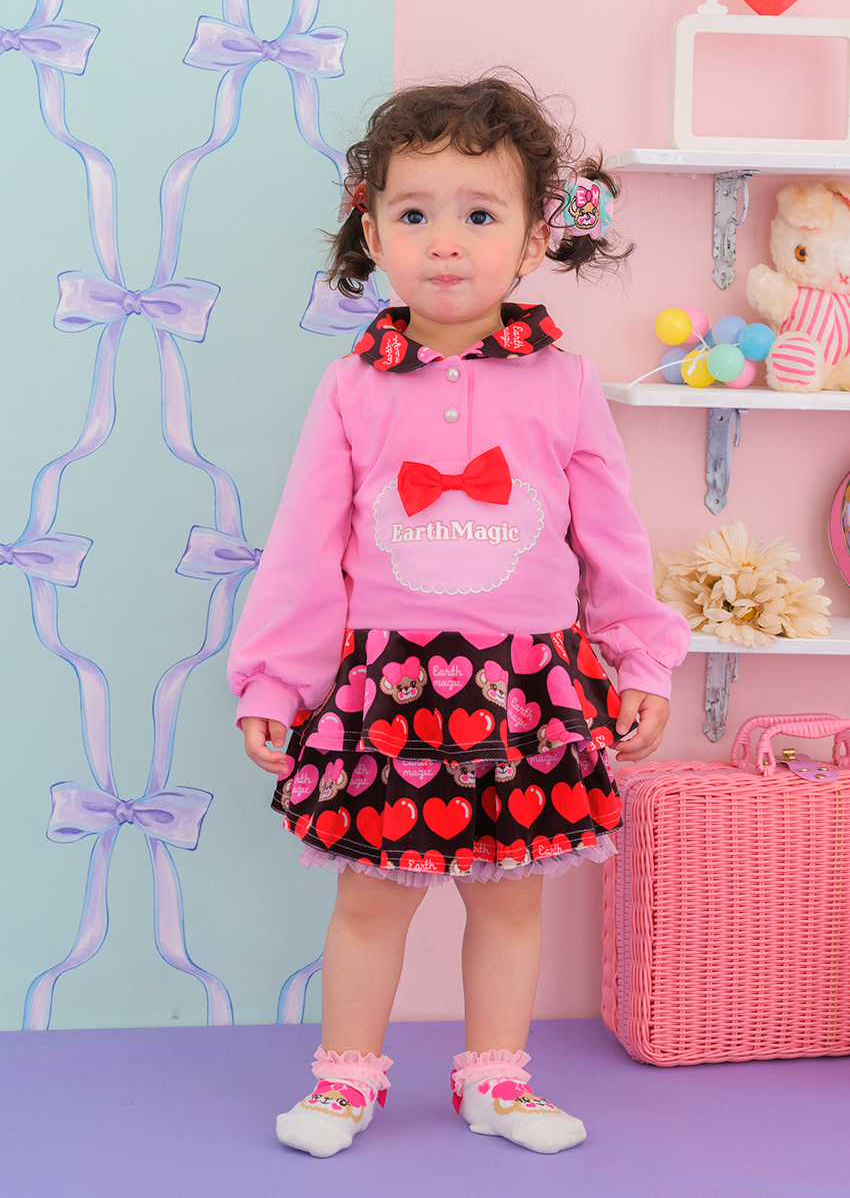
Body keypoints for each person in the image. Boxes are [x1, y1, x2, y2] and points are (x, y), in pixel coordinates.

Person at [227, 76, 690, 1158]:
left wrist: (641, 662)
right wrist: (274, 680)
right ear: (372, 232)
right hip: (387, 692)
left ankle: (497, 1080)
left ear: (532, 239)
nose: (445, 242)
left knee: (511, 901)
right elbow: (303, 551)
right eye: (414, 213)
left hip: (527, 688)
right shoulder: (350, 388)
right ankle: (344, 1083)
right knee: (372, 900)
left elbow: (613, 542)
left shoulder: (567, 384)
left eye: (479, 214)